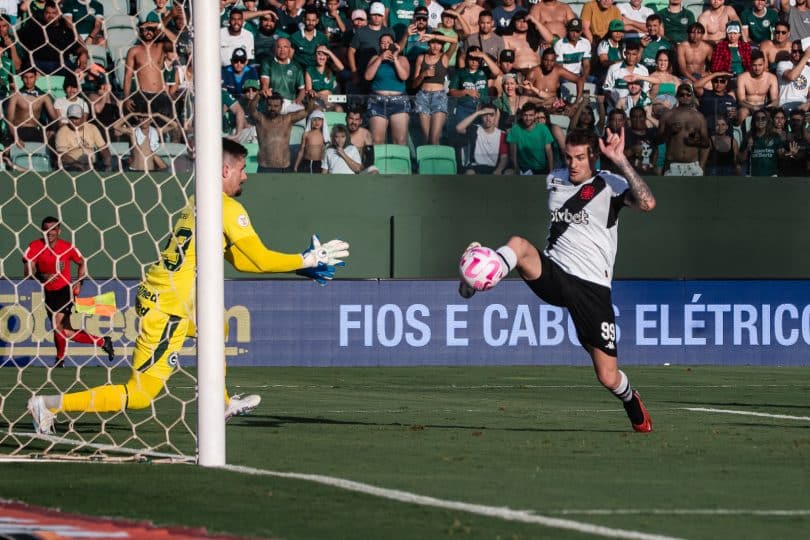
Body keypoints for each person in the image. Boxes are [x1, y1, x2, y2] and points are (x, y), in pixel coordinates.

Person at [26, 139, 350, 435]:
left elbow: (242, 261)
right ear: (225, 170)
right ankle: (49, 404)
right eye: (241, 169)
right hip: (168, 308)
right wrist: (307, 258)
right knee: (140, 394)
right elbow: (261, 258)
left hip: (168, 297)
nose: (245, 177)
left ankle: (222, 402)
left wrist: (299, 268)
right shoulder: (226, 207)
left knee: (215, 325)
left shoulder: (199, 201)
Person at [458, 126, 655, 433]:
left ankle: (631, 399)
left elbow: (647, 204)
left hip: (592, 289)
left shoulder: (610, 184)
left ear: (592, 156)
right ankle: (481, 274)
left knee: (607, 376)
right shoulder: (556, 179)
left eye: (580, 157)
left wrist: (620, 160)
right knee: (519, 245)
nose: (573, 163)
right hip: (555, 272)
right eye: (568, 156)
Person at [23, 216, 114, 368]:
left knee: (57, 325)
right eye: (46, 229)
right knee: (64, 330)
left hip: (65, 291)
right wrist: (41, 275)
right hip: (49, 293)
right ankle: (103, 341)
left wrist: (79, 283)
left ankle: (60, 360)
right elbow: (27, 273)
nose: (49, 233)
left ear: (59, 231)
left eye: (53, 229)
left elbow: (82, 262)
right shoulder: (34, 246)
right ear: (42, 230)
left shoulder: (67, 247)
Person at [364, 34, 411, 145]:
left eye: (388, 42)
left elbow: (404, 76)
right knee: (377, 140)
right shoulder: (375, 58)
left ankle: (398, 162)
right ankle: (377, 162)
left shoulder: (402, 59)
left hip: (399, 101)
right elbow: (368, 76)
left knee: (399, 140)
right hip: (377, 101)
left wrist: (394, 58)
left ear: (393, 44)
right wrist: (380, 58)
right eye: (382, 43)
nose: (385, 45)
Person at [412, 31, 456, 145]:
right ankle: (427, 162)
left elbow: (455, 41)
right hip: (423, 97)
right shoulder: (421, 58)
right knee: (427, 139)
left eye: (439, 43)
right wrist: (423, 74)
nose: (435, 46)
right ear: (428, 43)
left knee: (434, 138)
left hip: (439, 97)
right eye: (432, 43)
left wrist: (434, 36)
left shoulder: (445, 57)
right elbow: (414, 85)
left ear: (442, 45)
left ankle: (437, 162)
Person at [249, 92, 310, 172]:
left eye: (276, 106)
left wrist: (310, 99)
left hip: (284, 166)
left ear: (281, 106)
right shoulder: (261, 119)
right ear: (266, 105)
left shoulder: (287, 119)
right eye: (270, 105)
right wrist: (258, 95)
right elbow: (251, 109)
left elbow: (306, 111)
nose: (273, 108)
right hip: (265, 166)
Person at [657, 83, 710, 176]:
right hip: (673, 164)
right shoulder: (667, 116)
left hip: (693, 165)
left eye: (688, 94)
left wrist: (695, 143)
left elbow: (706, 144)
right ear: (677, 96)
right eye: (682, 95)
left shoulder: (699, 117)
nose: (685, 97)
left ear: (692, 96)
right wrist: (670, 131)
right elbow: (658, 140)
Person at [54, 104, 111, 170]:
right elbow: (62, 155)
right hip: (72, 166)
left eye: (77, 118)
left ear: (83, 117)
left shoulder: (92, 128)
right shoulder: (62, 131)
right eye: (71, 118)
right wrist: (78, 165)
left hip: (92, 164)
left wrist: (107, 158)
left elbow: (103, 148)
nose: (74, 121)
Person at [455, 106, 509, 174]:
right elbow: (458, 128)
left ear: (495, 117)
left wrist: (499, 170)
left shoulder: (501, 134)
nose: (488, 118)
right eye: (485, 115)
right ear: (481, 116)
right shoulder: (475, 129)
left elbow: (504, 157)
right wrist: (477, 113)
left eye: (491, 115)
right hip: (475, 167)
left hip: (493, 168)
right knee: (469, 173)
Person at [507, 102, 554, 174]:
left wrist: (551, 172)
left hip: (540, 169)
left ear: (535, 115)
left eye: (531, 115)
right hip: (523, 169)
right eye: (525, 115)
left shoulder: (543, 129)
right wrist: (517, 170)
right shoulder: (515, 129)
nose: (528, 118)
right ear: (522, 115)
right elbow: (513, 155)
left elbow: (549, 152)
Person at [739, 110, 785, 176]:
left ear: (768, 120)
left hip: (771, 176)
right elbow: (740, 160)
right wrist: (747, 148)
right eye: (757, 118)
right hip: (753, 176)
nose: (760, 120)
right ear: (754, 121)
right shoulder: (748, 136)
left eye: (763, 118)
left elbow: (781, 156)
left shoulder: (775, 136)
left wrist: (788, 154)